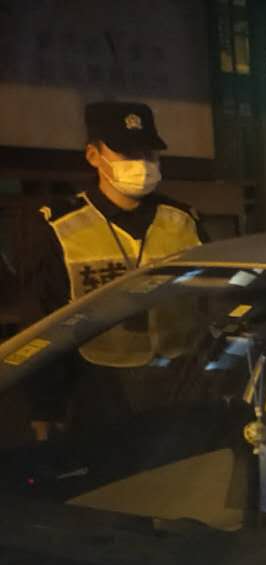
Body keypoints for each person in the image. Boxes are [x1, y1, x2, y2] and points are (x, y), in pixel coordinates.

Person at [11, 101, 205, 436]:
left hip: (179, 380)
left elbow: (212, 300)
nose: (141, 164)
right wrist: (46, 406)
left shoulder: (182, 220)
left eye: (149, 154)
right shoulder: (61, 228)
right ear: (93, 156)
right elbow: (42, 322)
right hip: (99, 386)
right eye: (127, 154)